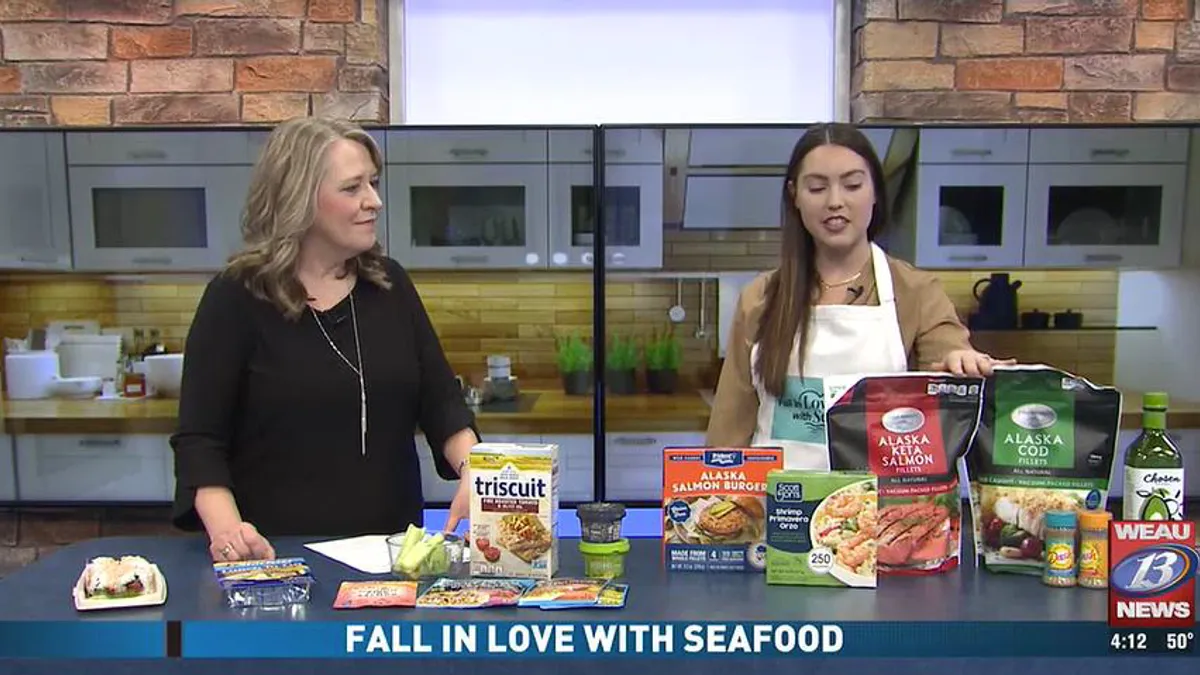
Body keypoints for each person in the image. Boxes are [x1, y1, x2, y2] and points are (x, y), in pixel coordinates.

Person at [170, 117, 479, 563]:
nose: (373, 201)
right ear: (300, 200)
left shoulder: (389, 285)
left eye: (373, 183)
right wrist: (232, 536)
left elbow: (441, 402)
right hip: (277, 561)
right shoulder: (236, 296)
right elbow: (200, 441)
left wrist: (475, 471)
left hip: (390, 561)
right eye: (352, 188)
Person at [705, 122, 1012, 469]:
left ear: (875, 192)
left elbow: (948, 352)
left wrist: (961, 361)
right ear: (795, 196)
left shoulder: (915, 291)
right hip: (778, 511)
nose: (836, 202)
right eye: (817, 187)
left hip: (883, 514)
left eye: (852, 185)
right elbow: (728, 431)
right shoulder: (760, 298)